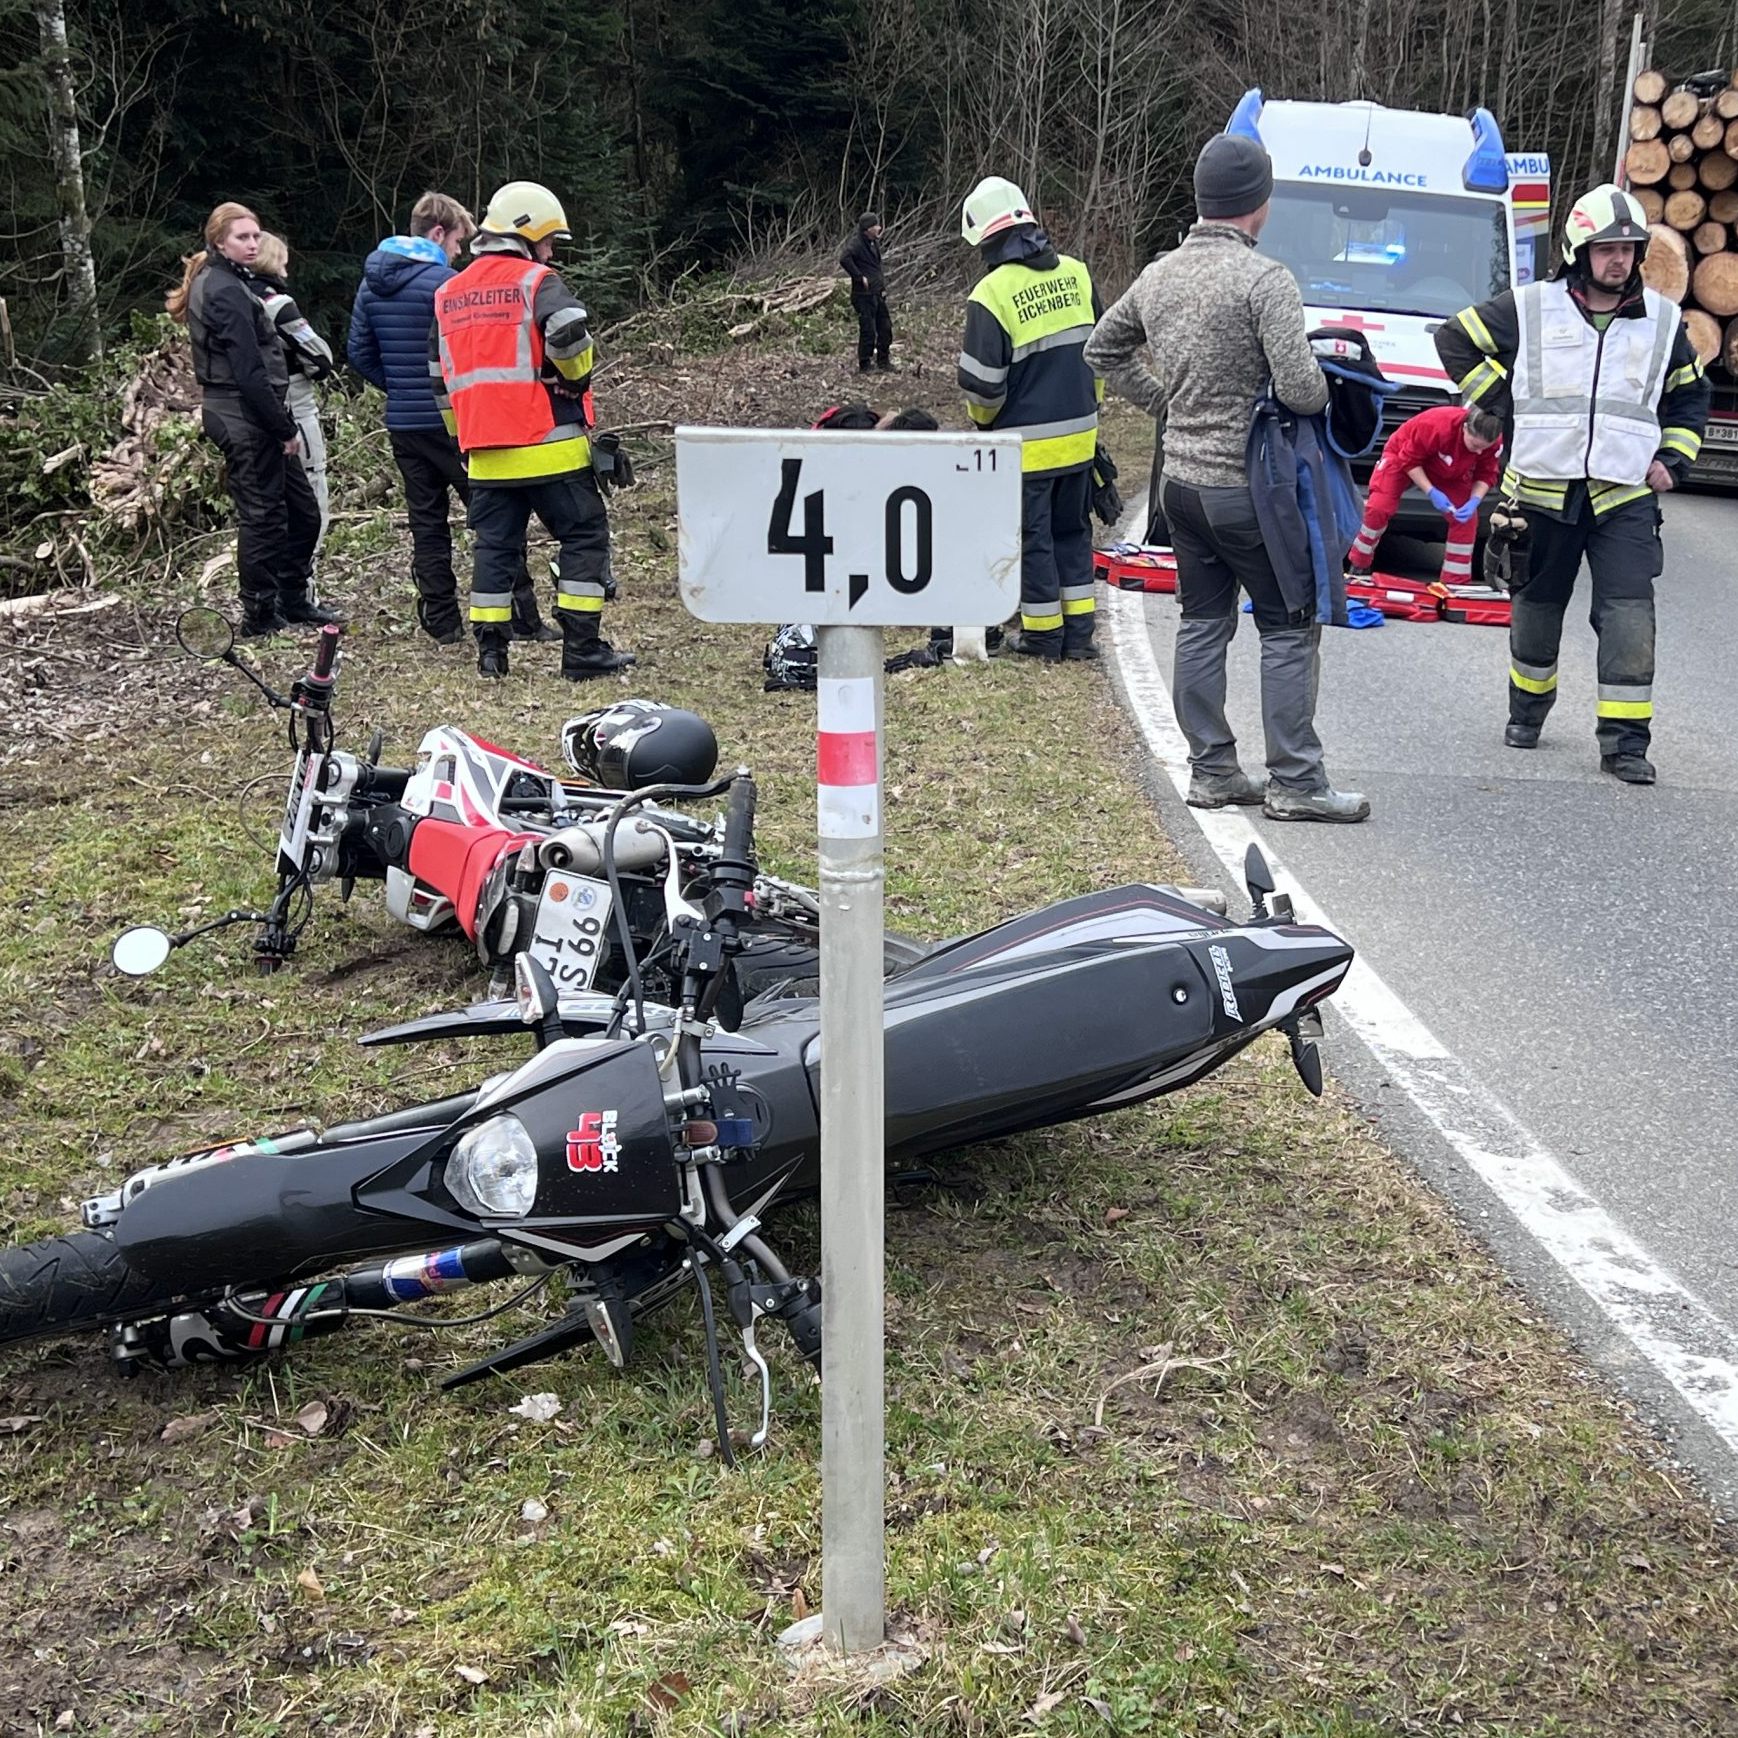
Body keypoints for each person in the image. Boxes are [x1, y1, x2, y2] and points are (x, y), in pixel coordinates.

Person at [1085, 134, 1367, 823]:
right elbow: (1302, 390)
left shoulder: (1159, 275)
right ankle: (1297, 783)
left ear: (1203, 200)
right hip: (1253, 492)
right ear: (1259, 205)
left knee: (1203, 624)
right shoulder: (1265, 281)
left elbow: (1103, 349)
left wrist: (1165, 403)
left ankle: (1212, 771)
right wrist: (1330, 395)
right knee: (1289, 626)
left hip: (1179, 486)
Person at [1436, 182, 1710, 785]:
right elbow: (1453, 339)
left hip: (1624, 498)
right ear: (1578, 251)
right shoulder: (1531, 307)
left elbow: (1692, 397)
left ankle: (1625, 744)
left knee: (1630, 616)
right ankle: (1527, 713)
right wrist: (1501, 402)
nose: (1619, 259)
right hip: (1540, 492)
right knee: (1536, 610)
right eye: (1606, 248)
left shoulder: (1663, 323)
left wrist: (1674, 459)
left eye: (1629, 248)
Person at [433, 180, 633, 680]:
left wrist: (462, 438)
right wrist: (574, 377)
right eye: (548, 241)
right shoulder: (536, 281)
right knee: (584, 538)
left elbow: (441, 378)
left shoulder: (448, 293)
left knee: (495, 550)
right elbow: (568, 329)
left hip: (483, 453)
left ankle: (491, 655)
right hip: (549, 448)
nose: (549, 252)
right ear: (527, 233)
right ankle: (582, 650)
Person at [348, 192, 556, 648]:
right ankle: (521, 617)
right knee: (496, 518)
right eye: (460, 240)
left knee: (427, 524)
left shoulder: (370, 285)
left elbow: (358, 352)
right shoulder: (448, 285)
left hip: (404, 423)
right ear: (438, 233)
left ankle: (441, 622)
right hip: (455, 421)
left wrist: (400, 388)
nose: (462, 251)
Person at [167, 202, 337, 636]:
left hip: (253, 412)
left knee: (303, 513)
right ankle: (259, 614)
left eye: (256, 235)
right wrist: (283, 428)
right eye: (242, 237)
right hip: (241, 415)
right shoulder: (222, 288)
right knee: (263, 518)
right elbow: (248, 370)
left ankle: (293, 599)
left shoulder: (233, 282)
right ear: (219, 241)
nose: (252, 243)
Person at [957, 176, 1102, 663]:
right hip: (1081, 439)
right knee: (1074, 532)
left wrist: (985, 427)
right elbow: (1100, 356)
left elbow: (982, 387)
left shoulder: (991, 295)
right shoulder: (1079, 274)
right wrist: (1090, 414)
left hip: (1025, 448)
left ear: (983, 238)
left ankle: (1043, 635)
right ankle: (1079, 633)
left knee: (1034, 540)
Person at [1346, 404, 1504, 587]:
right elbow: (1409, 460)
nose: (1478, 452)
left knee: (1466, 521)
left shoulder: (1493, 441)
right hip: (1402, 456)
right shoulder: (1436, 425)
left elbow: (1486, 474)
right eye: (1475, 445)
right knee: (1379, 508)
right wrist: (1431, 491)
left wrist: (1474, 500)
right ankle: (1359, 564)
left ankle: (1455, 583)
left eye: (1484, 448)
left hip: (1450, 470)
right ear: (1465, 428)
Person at [251, 232, 335, 552]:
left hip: (252, 417)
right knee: (311, 502)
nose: (286, 274)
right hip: (295, 409)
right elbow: (321, 359)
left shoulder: (230, 300)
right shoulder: (277, 305)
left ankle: (274, 595)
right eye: (283, 265)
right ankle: (303, 594)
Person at [839, 213, 894, 374]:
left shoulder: (873, 243)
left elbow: (876, 267)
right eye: (876, 226)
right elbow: (844, 259)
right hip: (863, 295)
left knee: (885, 328)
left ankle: (883, 361)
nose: (879, 228)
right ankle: (865, 364)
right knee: (868, 330)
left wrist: (882, 288)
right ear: (867, 229)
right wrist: (858, 276)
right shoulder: (856, 244)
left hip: (877, 292)